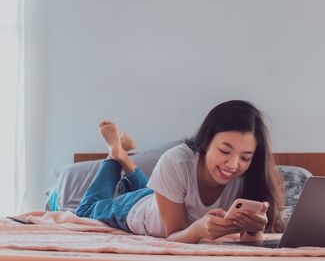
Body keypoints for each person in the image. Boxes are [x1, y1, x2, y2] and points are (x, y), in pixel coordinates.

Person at [76, 100, 285, 243]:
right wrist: (199, 230)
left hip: (161, 199)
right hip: (137, 211)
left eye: (245, 157)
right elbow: (173, 236)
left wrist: (254, 229)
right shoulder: (176, 161)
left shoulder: (250, 176)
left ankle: (125, 158)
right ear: (206, 142)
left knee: (151, 194)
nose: (233, 164)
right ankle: (115, 155)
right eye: (224, 151)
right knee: (86, 210)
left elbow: (250, 245)